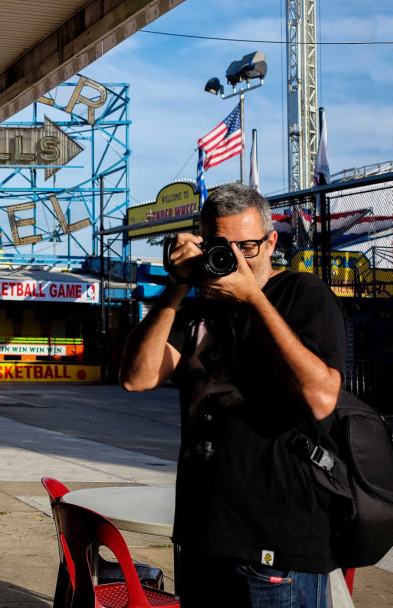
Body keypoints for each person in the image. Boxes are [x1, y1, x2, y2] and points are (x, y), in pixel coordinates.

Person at [120, 183, 345, 607]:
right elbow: (137, 378)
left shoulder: (303, 294)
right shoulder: (199, 306)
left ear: (272, 241)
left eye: (248, 246)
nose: (236, 259)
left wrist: (253, 300)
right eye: (222, 247)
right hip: (203, 536)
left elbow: (320, 398)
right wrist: (177, 286)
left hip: (277, 545)